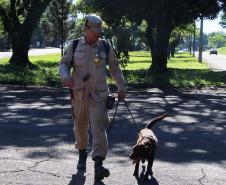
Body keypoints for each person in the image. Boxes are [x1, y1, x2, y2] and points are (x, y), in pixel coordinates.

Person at [59, 14, 126, 181]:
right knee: (80, 128)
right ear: (86, 28)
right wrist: (65, 76)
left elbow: (115, 69)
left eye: (99, 30)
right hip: (79, 94)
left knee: (99, 130)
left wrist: (121, 85)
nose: (98, 33)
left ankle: (98, 165)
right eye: (95, 30)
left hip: (98, 96)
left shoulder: (105, 47)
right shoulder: (74, 45)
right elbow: (64, 64)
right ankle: (82, 156)